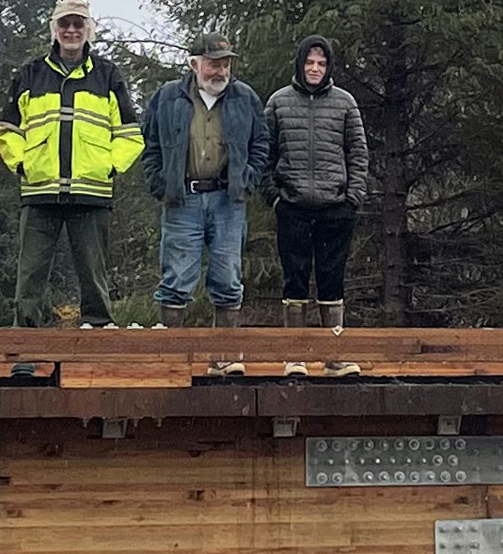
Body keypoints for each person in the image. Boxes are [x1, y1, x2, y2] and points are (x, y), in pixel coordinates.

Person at [0, 0, 143, 328]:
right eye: (65, 23)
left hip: (91, 192)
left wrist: (108, 166)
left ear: (89, 29)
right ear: (54, 29)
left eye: (78, 23)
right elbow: (7, 129)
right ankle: (24, 347)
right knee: (30, 276)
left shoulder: (107, 74)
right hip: (39, 190)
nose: (71, 30)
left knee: (94, 275)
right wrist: (23, 164)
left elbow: (130, 134)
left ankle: (98, 334)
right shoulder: (30, 73)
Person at [142, 31, 272, 368]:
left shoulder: (245, 98)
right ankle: (172, 361)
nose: (220, 71)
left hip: (229, 201)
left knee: (228, 279)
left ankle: (225, 358)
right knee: (175, 281)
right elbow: (150, 143)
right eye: (214, 64)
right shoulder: (167, 97)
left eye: (225, 64)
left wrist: (247, 180)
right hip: (181, 200)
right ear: (194, 64)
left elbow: (262, 144)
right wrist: (160, 184)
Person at [266, 34, 367, 354]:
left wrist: (354, 196)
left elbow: (358, 152)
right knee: (294, 282)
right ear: (300, 63)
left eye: (321, 63)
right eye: (309, 62)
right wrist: (273, 196)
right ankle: (294, 355)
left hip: (335, 207)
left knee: (332, 280)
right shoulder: (278, 101)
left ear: (329, 67)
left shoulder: (345, 102)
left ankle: (333, 355)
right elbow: (264, 152)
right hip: (292, 206)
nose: (315, 68)